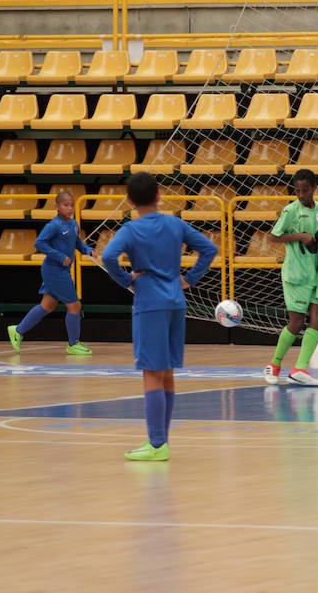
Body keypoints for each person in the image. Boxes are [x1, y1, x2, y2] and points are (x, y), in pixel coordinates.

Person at [102, 172, 218, 460]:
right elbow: (209, 248)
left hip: (149, 303)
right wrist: (189, 278)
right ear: (159, 195)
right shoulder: (174, 223)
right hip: (176, 302)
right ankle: (161, 441)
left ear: (129, 201)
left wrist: (127, 279)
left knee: (152, 374)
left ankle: (156, 445)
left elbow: (107, 257)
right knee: (166, 374)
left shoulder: (131, 230)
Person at [263, 168, 318, 386]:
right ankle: (274, 364)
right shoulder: (290, 210)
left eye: (305, 190)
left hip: (317, 274)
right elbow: (273, 237)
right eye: (298, 191)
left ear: (314, 189)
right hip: (296, 275)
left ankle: (300, 369)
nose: (301, 195)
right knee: (296, 322)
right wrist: (299, 236)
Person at [7, 190, 94, 355]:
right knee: (75, 306)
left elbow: (76, 242)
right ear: (57, 206)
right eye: (65, 205)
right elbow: (39, 243)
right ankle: (73, 343)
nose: (70, 208)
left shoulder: (74, 223)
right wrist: (60, 256)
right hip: (54, 270)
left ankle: (17, 330)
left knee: (48, 305)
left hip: (60, 270)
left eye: (72, 205)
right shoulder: (53, 225)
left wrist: (88, 250)